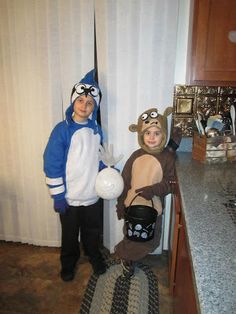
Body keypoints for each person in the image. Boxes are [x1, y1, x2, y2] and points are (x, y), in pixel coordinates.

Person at [43, 69, 108, 282]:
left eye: (89, 102)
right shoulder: (62, 130)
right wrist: (58, 195)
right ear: (73, 102)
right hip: (69, 197)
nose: (84, 105)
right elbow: (52, 163)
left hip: (92, 194)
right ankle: (68, 263)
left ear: (94, 107)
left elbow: (98, 158)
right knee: (70, 235)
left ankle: (94, 256)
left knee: (92, 232)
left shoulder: (97, 131)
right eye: (80, 100)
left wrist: (107, 174)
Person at [114, 107, 180, 277]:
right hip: (132, 205)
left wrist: (154, 189)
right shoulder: (135, 156)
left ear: (163, 135)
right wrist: (120, 203)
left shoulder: (167, 158)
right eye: (147, 132)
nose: (151, 137)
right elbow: (125, 181)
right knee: (131, 236)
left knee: (152, 240)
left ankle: (125, 254)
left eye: (157, 133)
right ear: (141, 135)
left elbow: (171, 183)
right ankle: (127, 257)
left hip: (153, 208)